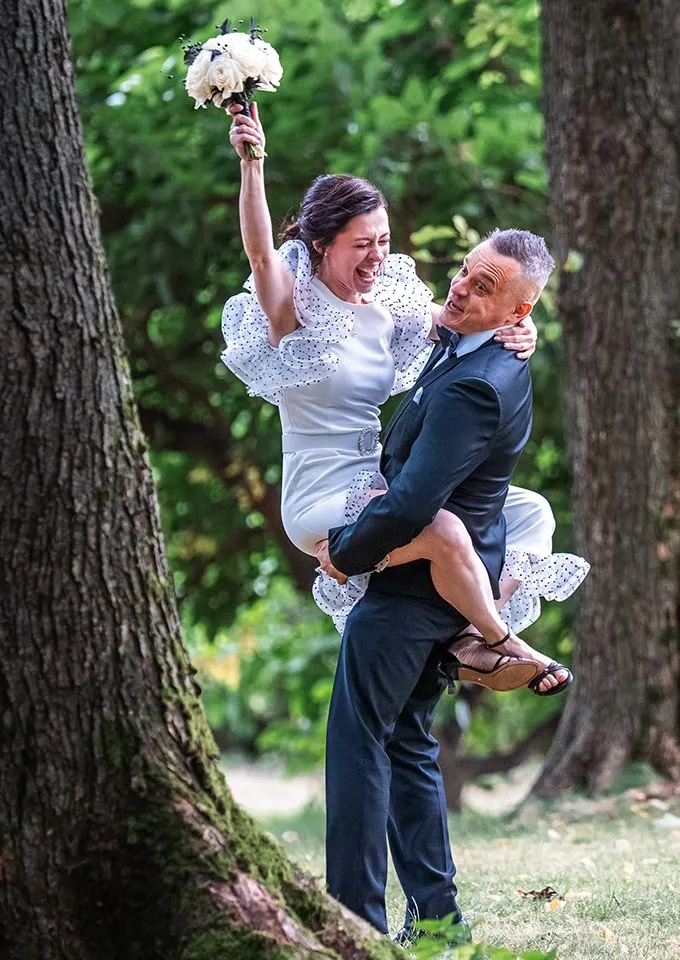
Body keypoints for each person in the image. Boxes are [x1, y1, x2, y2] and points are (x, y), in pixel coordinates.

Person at [220, 106, 585, 694]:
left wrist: (524, 324)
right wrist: (252, 164)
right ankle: (497, 642)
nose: (377, 257)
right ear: (320, 245)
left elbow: (468, 318)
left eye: (383, 241)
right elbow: (262, 254)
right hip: (319, 492)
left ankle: (468, 636)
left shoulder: (393, 303)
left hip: (376, 477)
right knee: (442, 530)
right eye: (361, 245)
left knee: (529, 513)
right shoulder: (293, 315)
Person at [319, 226, 556, 940]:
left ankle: (355, 924)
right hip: (439, 587)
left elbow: (416, 500)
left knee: (357, 741)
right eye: (465, 271)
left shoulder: (481, 386)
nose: (460, 287)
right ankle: (439, 926)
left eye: (484, 287)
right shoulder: (477, 346)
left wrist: (348, 553)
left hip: (414, 594)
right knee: (406, 744)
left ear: (517, 314)